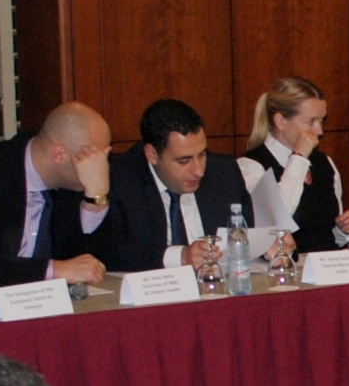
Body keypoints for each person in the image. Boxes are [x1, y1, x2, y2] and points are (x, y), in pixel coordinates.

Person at [0, 102, 114, 289]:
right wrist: (53, 270)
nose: (100, 167)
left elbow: (93, 263)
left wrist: (95, 199)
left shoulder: (73, 184)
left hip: (49, 300)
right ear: (59, 154)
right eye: (94, 157)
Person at [92, 96, 258, 272]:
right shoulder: (120, 179)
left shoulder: (224, 172)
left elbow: (244, 233)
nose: (199, 171)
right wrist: (180, 256)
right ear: (152, 154)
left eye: (202, 155)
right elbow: (111, 252)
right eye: (184, 160)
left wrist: (265, 248)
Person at [236, 77, 349, 254]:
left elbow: (326, 236)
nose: (319, 130)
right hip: (282, 266)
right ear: (281, 121)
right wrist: (299, 158)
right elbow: (275, 222)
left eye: (321, 120)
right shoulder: (250, 166)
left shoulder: (324, 163)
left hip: (325, 264)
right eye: (311, 122)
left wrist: (342, 230)